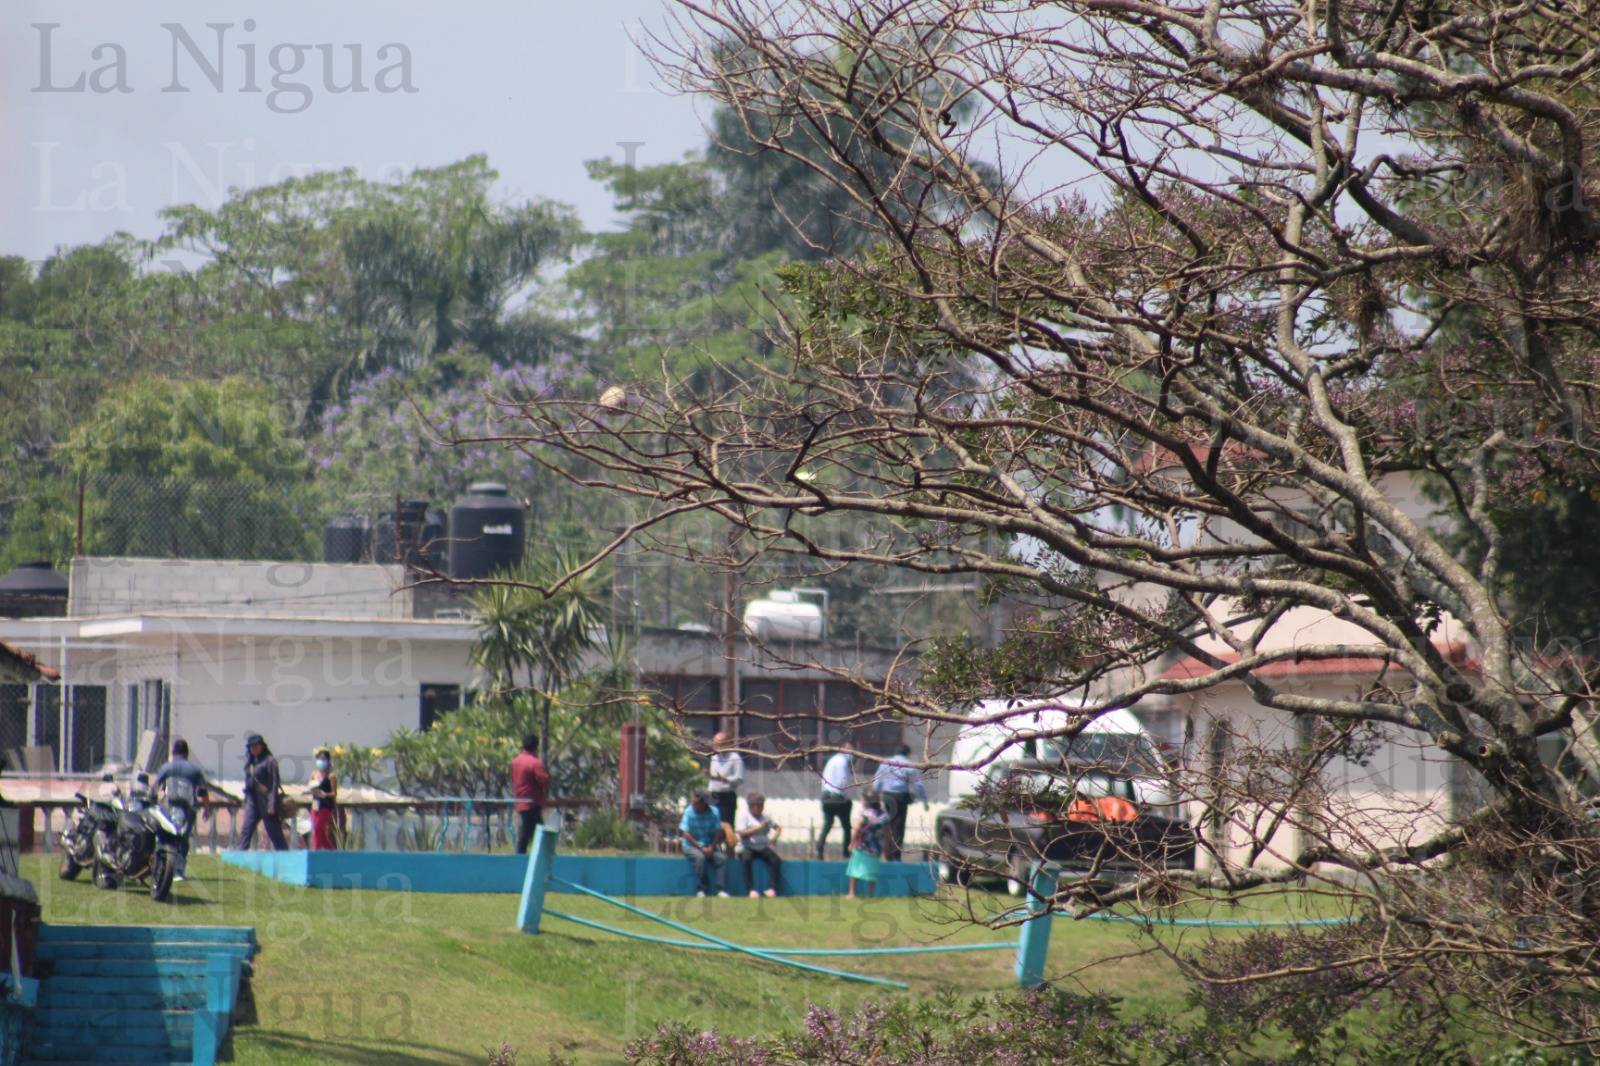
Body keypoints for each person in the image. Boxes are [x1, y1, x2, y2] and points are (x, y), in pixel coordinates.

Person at [153, 738, 209, 881]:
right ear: (186, 753)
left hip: (168, 806)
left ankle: (161, 866)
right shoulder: (194, 770)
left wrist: (152, 801)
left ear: (173, 753)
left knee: (164, 835)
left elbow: (155, 787)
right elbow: (203, 791)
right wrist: (207, 809)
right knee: (183, 838)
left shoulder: (166, 767)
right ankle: (179, 870)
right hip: (188, 809)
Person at [872, 744, 929, 862]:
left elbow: (877, 781)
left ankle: (886, 853)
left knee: (888, 824)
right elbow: (918, 785)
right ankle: (896, 856)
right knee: (899, 826)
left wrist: (874, 796)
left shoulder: (886, 763)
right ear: (907, 753)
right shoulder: (909, 765)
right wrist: (924, 801)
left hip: (887, 796)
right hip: (901, 797)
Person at [238, 733, 288, 851]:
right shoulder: (250, 763)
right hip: (253, 801)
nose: (253, 748)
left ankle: (285, 856)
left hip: (266, 802)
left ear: (262, 746)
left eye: (256, 745)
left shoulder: (270, 761)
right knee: (246, 829)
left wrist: (272, 805)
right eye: (251, 746)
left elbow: (274, 784)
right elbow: (248, 782)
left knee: (274, 833)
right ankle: (239, 855)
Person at [679, 789, 729, 897]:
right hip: (691, 845)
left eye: (697, 803)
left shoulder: (714, 812)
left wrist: (712, 847)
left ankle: (720, 890)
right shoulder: (688, 812)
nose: (694, 804)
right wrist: (700, 847)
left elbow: (718, 831)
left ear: (704, 803)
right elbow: (686, 834)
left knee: (722, 859)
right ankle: (701, 890)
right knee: (700, 858)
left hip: (709, 845)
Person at [735, 792, 783, 897]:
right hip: (747, 846)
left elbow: (778, 828)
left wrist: (773, 839)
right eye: (756, 805)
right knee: (746, 860)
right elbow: (741, 833)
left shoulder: (766, 816)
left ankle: (772, 888)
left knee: (776, 860)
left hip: (762, 846)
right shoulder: (744, 816)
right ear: (750, 806)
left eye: (761, 805)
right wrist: (759, 828)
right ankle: (750, 889)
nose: (758, 808)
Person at [511, 734, 551, 855]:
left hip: (520, 801)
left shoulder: (515, 762)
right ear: (536, 747)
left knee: (530, 831)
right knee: (532, 833)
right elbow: (544, 780)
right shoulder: (535, 763)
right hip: (532, 802)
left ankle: (537, 854)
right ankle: (541, 856)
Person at [846, 789, 887, 899]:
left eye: (862, 799)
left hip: (862, 845)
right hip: (876, 847)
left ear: (867, 801)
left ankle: (852, 893)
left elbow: (858, 828)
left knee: (854, 869)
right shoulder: (883, 815)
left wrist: (851, 842)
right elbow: (886, 831)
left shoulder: (865, 813)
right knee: (872, 872)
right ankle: (871, 893)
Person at [817, 748, 854, 860]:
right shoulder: (842, 762)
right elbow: (842, 782)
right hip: (837, 797)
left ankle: (819, 850)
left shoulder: (832, 760)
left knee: (827, 825)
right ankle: (846, 853)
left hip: (826, 796)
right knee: (847, 827)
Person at [706, 732, 744, 829]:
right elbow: (714, 778)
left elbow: (739, 779)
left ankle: (728, 843)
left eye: (720, 743)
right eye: (715, 743)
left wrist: (725, 779)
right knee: (712, 824)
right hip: (713, 794)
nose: (717, 745)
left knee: (727, 824)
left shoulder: (735, 758)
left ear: (727, 743)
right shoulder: (714, 756)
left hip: (727, 796)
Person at [307, 747, 338, 851]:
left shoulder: (331, 776)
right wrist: (312, 789)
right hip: (315, 804)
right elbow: (309, 786)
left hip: (325, 805)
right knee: (316, 830)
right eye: (319, 759)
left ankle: (318, 851)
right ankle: (329, 852)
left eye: (323, 759)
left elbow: (334, 793)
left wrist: (325, 794)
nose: (321, 761)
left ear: (328, 761)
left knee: (318, 827)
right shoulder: (314, 774)